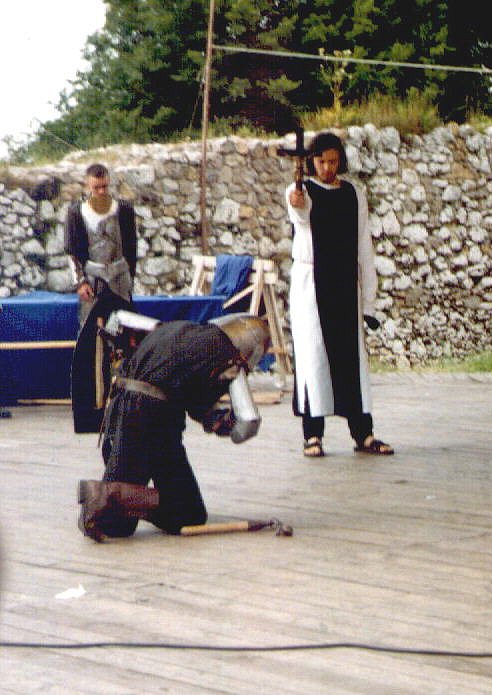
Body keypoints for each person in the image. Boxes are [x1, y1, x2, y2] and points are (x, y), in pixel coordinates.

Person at [77, 312, 271, 542]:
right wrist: (229, 427)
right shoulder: (230, 358)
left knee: (189, 514)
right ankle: (106, 495)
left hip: (138, 413)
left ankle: (120, 495)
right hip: (147, 419)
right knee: (114, 524)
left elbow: (118, 318)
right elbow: (248, 423)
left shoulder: (175, 328)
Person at [285, 131, 393, 458]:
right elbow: (300, 214)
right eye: (321, 161)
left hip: (345, 285)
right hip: (311, 284)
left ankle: (363, 433)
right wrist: (298, 203)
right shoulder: (300, 191)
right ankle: (312, 435)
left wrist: (369, 300)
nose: (327, 168)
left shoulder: (354, 194)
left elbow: (363, 246)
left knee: (350, 360)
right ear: (312, 161)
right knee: (313, 358)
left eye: (332, 161)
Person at [65, 163, 139, 433]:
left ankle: (128, 412)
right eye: (96, 187)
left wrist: (129, 279)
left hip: (119, 281)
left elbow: (131, 248)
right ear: (88, 185)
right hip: (93, 283)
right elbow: (72, 251)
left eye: (105, 186)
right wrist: (80, 282)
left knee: (126, 343)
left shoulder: (124, 210)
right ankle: (92, 415)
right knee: (91, 349)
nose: (101, 191)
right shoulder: (76, 212)